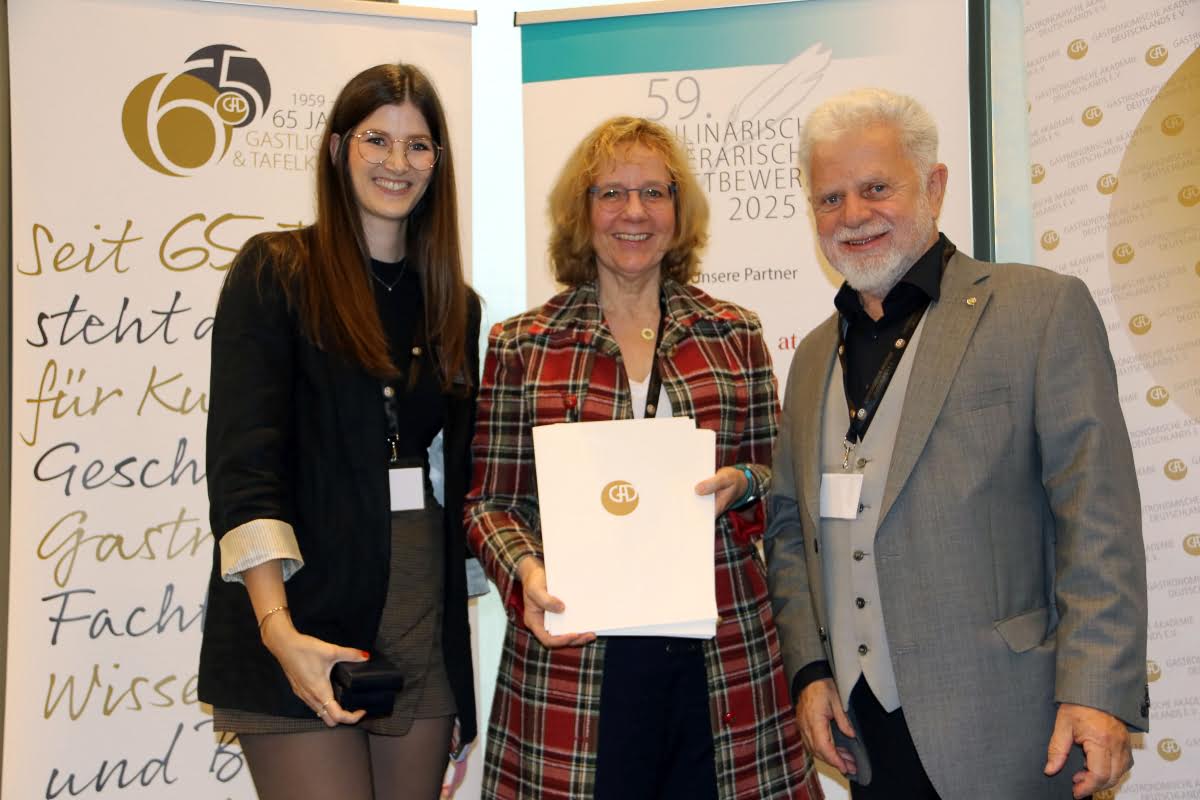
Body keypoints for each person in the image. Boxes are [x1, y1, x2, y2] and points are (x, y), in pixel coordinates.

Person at [765, 87, 1148, 800]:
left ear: (934, 187)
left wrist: (1098, 691)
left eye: (876, 188)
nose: (853, 215)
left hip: (1012, 728)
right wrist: (810, 670)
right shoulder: (812, 355)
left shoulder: (1039, 310)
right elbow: (789, 529)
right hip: (864, 733)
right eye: (830, 198)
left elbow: (1097, 517)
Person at [465, 116, 822, 800]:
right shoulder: (524, 345)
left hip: (720, 656)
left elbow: (779, 480)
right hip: (577, 662)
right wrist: (527, 572)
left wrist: (742, 483)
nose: (634, 212)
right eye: (612, 193)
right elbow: (492, 503)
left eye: (654, 192)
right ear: (582, 211)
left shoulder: (733, 333)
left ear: (679, 211)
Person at [198, 63, 479, 800]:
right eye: (376, 139)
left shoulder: (456, 304)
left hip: (421, 627)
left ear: (438, 163)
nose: (397, 162)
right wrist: (277, 630)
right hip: (302, 620)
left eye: (418, 145)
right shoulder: (276, 271)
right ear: (336, 148)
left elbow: (458, 478)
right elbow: (244, 468)